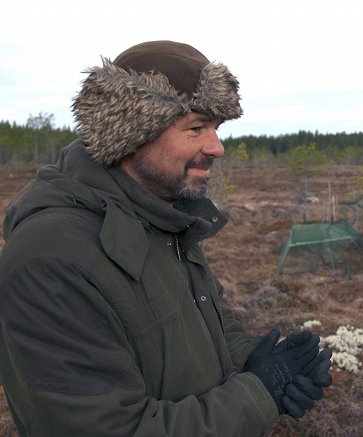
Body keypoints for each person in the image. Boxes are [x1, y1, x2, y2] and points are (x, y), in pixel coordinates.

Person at [0, 40, 332, 436]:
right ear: (129, 132)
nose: (217, 147)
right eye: (196, 128)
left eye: (216, 128)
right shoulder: (51, 259)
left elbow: (207, 333)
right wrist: (258, 393)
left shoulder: (162, 217)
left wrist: (264, 365)